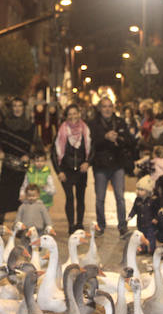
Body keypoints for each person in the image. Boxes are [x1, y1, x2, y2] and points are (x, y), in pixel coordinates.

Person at [88, 97, 134, 236]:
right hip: (100, 165)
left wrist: (118, 138)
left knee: (120, 197)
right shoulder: (94, 123)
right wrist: (105, 137)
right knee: (99, 198)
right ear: (100, 108)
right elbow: (92, 142)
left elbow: (129, 141)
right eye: (104, 106)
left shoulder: (119, 122)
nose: (107, 109)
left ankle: (122, 226)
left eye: (109, 106)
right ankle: (101, 226)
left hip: (117, 164)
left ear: (113, 107)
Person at [0, 98, 36, 227]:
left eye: (20, 106)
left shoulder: (30, 126)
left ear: (23, 108)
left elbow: (38, 147)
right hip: (8, 167)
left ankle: (20, 224)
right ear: (11, 108)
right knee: (4, 195)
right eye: (15, 106)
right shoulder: (3, 125)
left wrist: (29, 155)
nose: (17, 108)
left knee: (21, 196)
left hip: (22, 169)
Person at [53, 103, 91, 233]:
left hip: (81, 170)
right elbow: (54, 152)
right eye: (70, 114)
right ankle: (71, 225)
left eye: (75, 113)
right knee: (69, 198)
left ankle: (79, 224)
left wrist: (87, 162)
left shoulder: (86, 129)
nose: (73, 116)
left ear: (79, 114)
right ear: (66, 116)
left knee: (80, 198)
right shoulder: (61, 130)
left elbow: (92, 149)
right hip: (66, 170)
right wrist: (59, 171)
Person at [128, 175, 156, 254]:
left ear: (148, 191)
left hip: (149, 223)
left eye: (141, 190)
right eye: (138, 189)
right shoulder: (137, 200)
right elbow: (134, 209)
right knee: (141, 237)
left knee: (150, 237)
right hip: (140, 223)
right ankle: (143, 249)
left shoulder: (151, 201)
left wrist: (155, 218)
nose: (138, 191)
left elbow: (155, 210)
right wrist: (130, 215)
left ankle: (151, 249)